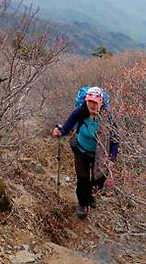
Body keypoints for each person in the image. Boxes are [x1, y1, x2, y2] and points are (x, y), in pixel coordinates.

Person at [51, 86, 119, 218]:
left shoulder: (108, 118)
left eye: (95, 102)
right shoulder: (80, 111)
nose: (92, 105)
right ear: (86, 101)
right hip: (81, 150)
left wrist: (112, 159)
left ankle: (92, 196)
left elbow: (115, 140)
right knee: (82, 180)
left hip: (100, 155)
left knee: (98, 180)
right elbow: (66, 128)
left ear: (101, 103)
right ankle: (82, 203)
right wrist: (59, 132)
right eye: (90, 102)